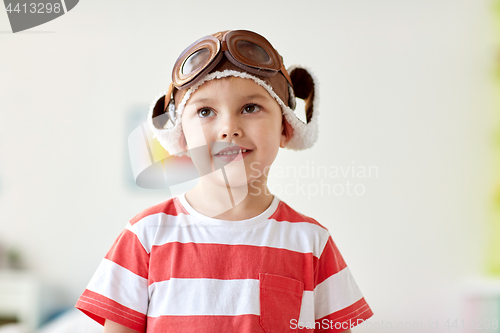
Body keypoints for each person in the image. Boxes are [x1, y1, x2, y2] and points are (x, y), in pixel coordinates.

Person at [75, 29, 374, 333]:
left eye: (250, 108)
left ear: (286, 128)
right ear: (180, 137)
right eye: (205, 111)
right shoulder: (145, 236)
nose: (229, 128)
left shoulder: (312, 242)